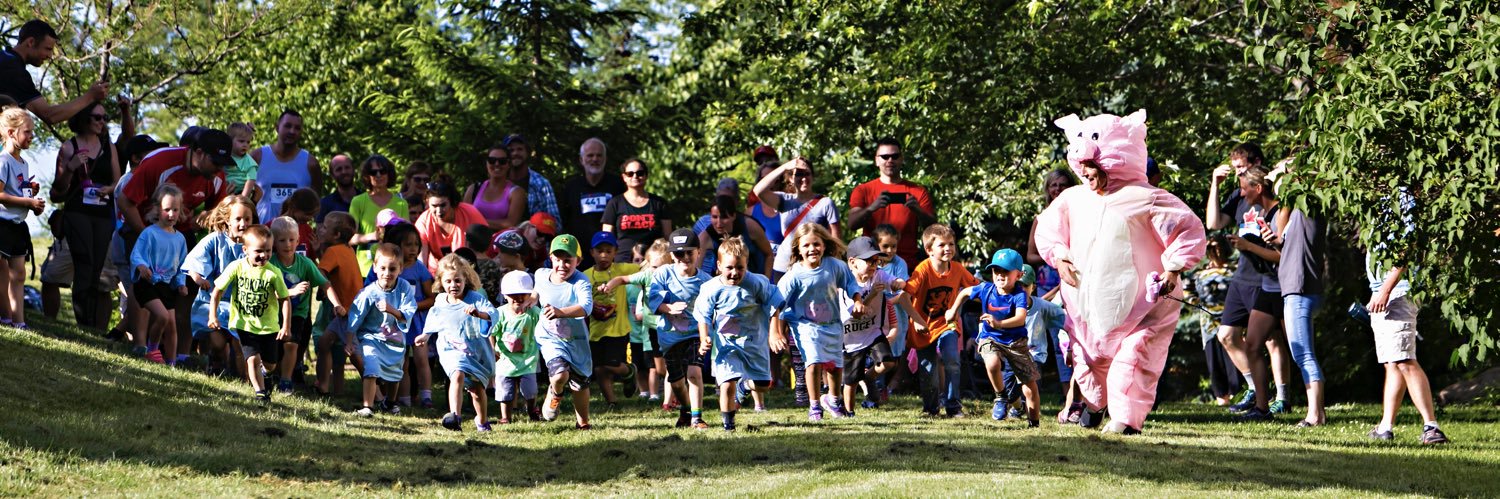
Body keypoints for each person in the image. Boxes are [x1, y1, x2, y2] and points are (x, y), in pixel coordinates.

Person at [1035, 110, 1207, 434]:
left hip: (1144, 308)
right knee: (1087, 362)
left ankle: (1126, 420)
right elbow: (1048, 230)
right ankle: (1094, 404)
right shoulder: (1072, 199)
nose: (1087, 174)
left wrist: (1172, 270)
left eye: (1093, 167)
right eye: (1083, 168)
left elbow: (1186, 231)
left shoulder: (1147, 198)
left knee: (1133, 360)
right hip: (1087, 310)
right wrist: (1059, 256)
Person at [1203, 143, 1291, 415]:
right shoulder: (1240, 195)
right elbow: (1214, 223)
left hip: (1265, 278)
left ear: (1257, 163)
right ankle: (1255, 388)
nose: (1238, 174)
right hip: (1242, 276)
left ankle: (1282, 397)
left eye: (1242, 167)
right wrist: (1215, 186)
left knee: (1272, 340)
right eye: (1236, 169)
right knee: (1226, 335)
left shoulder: (1269, 194)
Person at [1364, 194, 1447, 443]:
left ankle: (1431, 427)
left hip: (1397, 291)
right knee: (1393, 362)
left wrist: (1385, 291)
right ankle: (1385, 427)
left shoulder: (1402, 198)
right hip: (1383, 290)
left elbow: (1405, 247)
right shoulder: (1379, 198)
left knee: (1404, 360)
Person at [775, 223, 863, 422]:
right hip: (804, 325)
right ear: (798, 248)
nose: (812, 249)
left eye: (816, 244)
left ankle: (833, 399)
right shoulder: (794, 275)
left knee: (834, 366)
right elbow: (777, 303)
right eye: (806, 245)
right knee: (813, 362)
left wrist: (857, 300)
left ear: (824, 245)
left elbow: (850, 282)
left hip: (832, 324)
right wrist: (777, 332)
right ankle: (814, 406)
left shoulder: (835, 266)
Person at [694, 236, 784, 430]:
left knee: (763, 384)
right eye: (729, 268)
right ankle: (729, 425)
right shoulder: (711, 288)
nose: (735, 273)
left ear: (746, 265)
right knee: (727, 382)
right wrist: (704, 338)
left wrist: (774, 332)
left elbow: (775, 303)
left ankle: (745, 387)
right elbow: (703, 315)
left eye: (740, 268)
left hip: (754, 342)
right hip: (727, 345)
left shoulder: (756, 283)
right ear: (719, 266)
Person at [46, 100, 121, 329]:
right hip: (77, 212)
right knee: (84, 262)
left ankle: (91, 325)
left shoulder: (109, 146)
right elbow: (58, 190)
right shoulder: (69, 147)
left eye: (104, 118)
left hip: (102, 213)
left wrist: (109, 189)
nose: (102, 122)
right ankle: (83, 321)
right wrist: (71, 166)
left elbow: (118, 181)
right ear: (83, 119)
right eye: (97, 117)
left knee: (96, 266)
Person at [945, 249, 1040, 426]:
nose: (1000, 276)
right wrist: (953, 310)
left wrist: (999, 323)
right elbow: (965, 292)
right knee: (992, 363)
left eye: (1006, 272)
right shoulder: (986, 289)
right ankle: (1000, 397)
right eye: (997, 271)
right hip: (990, 337)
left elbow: (1020, 319)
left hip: (1015, 342)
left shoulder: (1019, 294)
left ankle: (1034, 423)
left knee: (1029, 388)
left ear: (1018, 275)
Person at [1265, 174, 1328, 426]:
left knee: (1304, 354)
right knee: (1301, 353)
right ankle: (1316, 413)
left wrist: (1288, 172)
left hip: (1300, 290)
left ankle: (1316, 414)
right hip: (1294, 289)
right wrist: (1276, 240)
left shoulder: (1309, 208)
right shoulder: (1294, 217)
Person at [1227, 166, 1288, 421]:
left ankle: (1311, 409)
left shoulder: (1280, 212)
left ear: (1258, 188)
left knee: (1299, 352)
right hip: (1267, 286)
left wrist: (1248, 246)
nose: (1241, 194)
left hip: (1285, 289)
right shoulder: (1261, 213)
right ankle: (1262, 408)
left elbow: (1281, 255)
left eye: (1244, 188)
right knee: (1252, 346)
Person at [208, 225, 292, 404]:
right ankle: (260, 392)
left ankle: (266, 374)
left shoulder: (273, 273)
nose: (264, 255)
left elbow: (285, 299)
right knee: (252, 359)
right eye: (259, 251)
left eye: (268, 251)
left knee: (270, 364)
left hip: (268, 326)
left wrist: (285, 326)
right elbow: (217, 291)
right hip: (244, 324)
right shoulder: (236, 267)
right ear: (245, 250)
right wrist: (212, 316)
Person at [418, 254, 497, 432]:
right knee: (457, 374)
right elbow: (434, 319)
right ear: (440, 282)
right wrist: (425, 336)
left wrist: (479, 314)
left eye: (457, 281)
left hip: (475, 351)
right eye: (448, 281)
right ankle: (455, 417)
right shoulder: (440, 301)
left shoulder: (475, 298)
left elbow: (493, 313)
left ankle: (482, 421)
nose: (453, 285)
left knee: (477, 391)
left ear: (465, 279)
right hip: (451, 349)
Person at [838, 237, 914, 412]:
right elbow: (855, 314)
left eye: (876, 260)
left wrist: (898, 283)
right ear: (852, 262)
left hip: (873, 331)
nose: (873, 265)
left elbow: (895, 281)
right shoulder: (845, 285)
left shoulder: (878, 274)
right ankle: (849, 412)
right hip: (851, 337)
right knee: (851, 379)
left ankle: (869, 377)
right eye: (868, 261)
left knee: (888, 362)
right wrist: (872, 294)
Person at [647, 228, 712, 428]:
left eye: (689, 252)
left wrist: (707, 335)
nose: (684, 257)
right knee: (676, 383)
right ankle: (685, 409)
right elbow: (652, 301)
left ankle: (697, 417)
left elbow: (713, 308)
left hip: (694, 335)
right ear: (671, 255)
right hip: (669, 337)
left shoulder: (706, 281)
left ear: (698, 252)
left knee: (694, 372)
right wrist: (668, 308)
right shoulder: (663, 274)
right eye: (679, 253)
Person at [905, 224, 971, 418]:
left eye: (951, 244)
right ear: (929, 250)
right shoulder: (923, 269)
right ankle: (931, 408)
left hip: (947, 324)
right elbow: (903, 297)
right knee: (929, 371)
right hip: (923, 327)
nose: (948, 248)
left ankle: (953, 406)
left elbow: (975, 289)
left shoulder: (958, 269)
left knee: (952, 359)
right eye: (942, 245)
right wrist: (916, 320)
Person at [344, 243, 418, 417]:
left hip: (395, 338)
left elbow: (409, 311)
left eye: (392, 269)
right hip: (372, 337)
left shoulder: (404, 288)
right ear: (375, 268)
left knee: (395, 373)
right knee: (371, 367)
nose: (387, 273)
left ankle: (390, 403)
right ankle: (367, 407)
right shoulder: (369, 293)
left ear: (400, 269)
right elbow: (355, 316)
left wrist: (392, 309)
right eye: (383, 268)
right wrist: (349, 341)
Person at [183, 195, 254, 374]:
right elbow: (193, 262)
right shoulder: (215, 239)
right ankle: (215, 361)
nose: (243, 223)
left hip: (242, 304)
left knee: (240, 345)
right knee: (218, 342)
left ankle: (244, 378)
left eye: (247, 219)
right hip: (213, 301)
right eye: (238, 219)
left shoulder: (254, 243)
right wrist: (199, 279)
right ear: (227, 220)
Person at [533, 234, 595, 429]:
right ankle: (556, 392)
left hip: (576, 340)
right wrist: (530, 299)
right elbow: (537, 292)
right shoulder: (541, 274)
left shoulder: (581, 281)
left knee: (580, 384)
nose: (562, 265)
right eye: (557, 260)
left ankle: (583, 422)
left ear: (578, 260)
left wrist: (561, 313)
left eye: (568, 260)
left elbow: (586, 307)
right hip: (549, 336)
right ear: (550, 258)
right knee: (559, 375)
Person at [269, 217, 335, 393]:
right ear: (274, 242)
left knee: (291, 344)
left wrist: (336, 304)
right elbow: (265, 292)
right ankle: (270, 374)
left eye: (292, 240)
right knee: (273, 347)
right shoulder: (270, 263)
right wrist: (290, 292)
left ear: (298, 240)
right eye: (282, 240)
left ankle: (285, 380)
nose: (287, 244)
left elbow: (325, 284)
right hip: (273, 312)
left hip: (298, 312)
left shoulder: (305, 263)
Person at [847, 137, 937, 265]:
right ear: (876, 160)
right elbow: (852, 224)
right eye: (884, 156)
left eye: (895, 156)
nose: (890, 160)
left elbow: (933, 229)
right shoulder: (863, 190)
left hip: (908, 265)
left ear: (901, 159)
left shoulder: (918, 191)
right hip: (872, 266)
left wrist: (917, 210)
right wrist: (871, 208)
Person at [0, 20, 109, 124]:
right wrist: (90, 96)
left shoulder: (5, 58)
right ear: (31, 42)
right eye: (47, 49)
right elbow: (50, 115)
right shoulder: (13, 70)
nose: (50, 56)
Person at [128, 184, 190, 365]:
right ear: (157, 209)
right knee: (162, 316)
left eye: (175, 210)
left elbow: (181, 266)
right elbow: (136, 254)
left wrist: (181, 283)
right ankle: (153, 350)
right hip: (147, 284)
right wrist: (141, 267)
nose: (171, 214)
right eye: (167, 210)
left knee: (171, 325)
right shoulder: (149, 233)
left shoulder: (180, 239)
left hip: (165, 286)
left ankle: (171, 363)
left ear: (181, 210)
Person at [752, 157, 842, 277]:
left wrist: (833, 269)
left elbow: (836, 241)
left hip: (814, 267)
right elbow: (758, 190)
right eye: (799, 174)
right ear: (790, 178)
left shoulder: (825, 203)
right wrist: (785, 167)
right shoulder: (784, 200)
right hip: (784, 266)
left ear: (813, 176)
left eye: (807, 174)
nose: (803, 178)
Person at [380, 223, 436, 407]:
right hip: (397, 321)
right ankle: (404, 399)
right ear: (397, 247)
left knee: (421, 359)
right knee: (401, 361)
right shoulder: (392, 269)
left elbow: (431, 298)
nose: (413, 249)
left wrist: (412, 308)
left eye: (416, 244)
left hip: (417, 321)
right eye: (408, 244)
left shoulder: (420, 268)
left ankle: (426, 396)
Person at [582, 232, 640, 407]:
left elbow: (646, 270)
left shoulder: (621, 270)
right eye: (599, 251)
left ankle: (629, 371)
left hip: (618, 329)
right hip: (596, 330)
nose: (604, 255)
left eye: (608, 251)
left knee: (610, 364)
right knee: (599, 368)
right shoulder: (586, 276)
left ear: (615, 252)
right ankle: (611, 402)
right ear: (592, 252)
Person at [0, 107, 44, 329]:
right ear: (10, 133)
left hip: (18, 225)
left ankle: (19, 321)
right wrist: (27, 202)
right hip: (2, 225)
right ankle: (6, 317)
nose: (31, 137)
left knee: (19, 274)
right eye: (27, 132)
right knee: (3, 275)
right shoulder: (3, 160)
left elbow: (16, 190)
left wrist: (30, 194)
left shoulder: (23, 163)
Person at [312, 212, 359, 395]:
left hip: (339, 309)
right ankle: (338, 389)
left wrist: (333, 300)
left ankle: (322, 384)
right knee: (339, 348)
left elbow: (321, 273)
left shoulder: (332, 251)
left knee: (325, 344)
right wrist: (318, 252)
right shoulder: (348, 249)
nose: (320, 229)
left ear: (336, 234)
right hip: (352, 308)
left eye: (325, 226)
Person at [250, 110, 322, 223]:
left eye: (297, 128)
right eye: (287, 126)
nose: (292, 131)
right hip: (261, 232)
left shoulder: (311, 163)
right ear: (277, 127)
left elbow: (316, 205)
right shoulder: (257, 157)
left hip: (294, 235)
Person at [560, 138, 626, 250]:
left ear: (605, 159)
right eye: (590, 155)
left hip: (611, 252)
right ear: (581, 160)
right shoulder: (571, 187)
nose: (595, 159)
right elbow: (563, 222)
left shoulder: (618, 185)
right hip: (580, 254)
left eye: (599, 155)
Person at [494, 270, 541, 424]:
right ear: (505, 295)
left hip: (528, 360)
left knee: (530, 390)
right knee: (505, 392)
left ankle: (532, 409)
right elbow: (491, 333)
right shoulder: (500, 313)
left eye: (524, 294)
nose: (519, 298)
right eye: (513, 294)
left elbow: (545, 324)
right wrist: (492, 350)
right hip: (505, 361)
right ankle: (506, 417)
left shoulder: (533, 313)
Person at [349, 155, 408, 274]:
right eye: (373, 172)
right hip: (365, 269)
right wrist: (372, 236)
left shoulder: (401, 203)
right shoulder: (358, 201)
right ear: (367, 176)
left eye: (383, 171)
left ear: (389, 174)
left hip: (393, 268)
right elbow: (349, 238)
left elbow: (407, 236)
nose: (378, 175)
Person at [415, 177, 486, 274]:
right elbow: (421, 260)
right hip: (436, 274)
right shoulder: (423, 221)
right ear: (427, 202)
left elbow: (484, 247)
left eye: (443, 205)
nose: (439, 211)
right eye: (434, 206)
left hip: (469, 271)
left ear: (452, 202)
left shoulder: (470, 213)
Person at [697, 193, 774, 278]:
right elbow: (695, 270)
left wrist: (766, 282)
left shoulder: (750, 226)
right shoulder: (706, 237)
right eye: (714, 217)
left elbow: (769, 255)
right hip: (727, 282)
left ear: (733, 216)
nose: (719, 223)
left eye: (724, 217)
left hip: (756, 279)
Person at [601, 158, 672, 247]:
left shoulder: (659, 203)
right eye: (630, 174)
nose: (635, 176)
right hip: (623, 259)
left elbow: (668, 237)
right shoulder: (614, 203)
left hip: (653, 259)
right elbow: (606, 239)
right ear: (624, 177)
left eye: (640, 173)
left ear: (646, 176)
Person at [463, 144, 526, 231]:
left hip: (501, 242)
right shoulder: (473, 189)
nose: (497, 164)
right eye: (492, 160)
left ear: (508, 164)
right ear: (487, 163)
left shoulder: (516, 193)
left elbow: (511, 223)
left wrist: (477, 221)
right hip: (472, 242)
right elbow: (463, 218)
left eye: (502, 161)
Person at [503, 133, 561, 221]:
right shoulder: (498, 182)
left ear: (527, 152)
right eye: (511, 150)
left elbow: (555, 222)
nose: (515, 153)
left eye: (520, 149)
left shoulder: (541, 183)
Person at [747, 160, 785, 249]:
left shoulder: (791, 209)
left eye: (774, 179)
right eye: (765, 179)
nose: (769, 184)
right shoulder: (750, 213)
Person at [318, 154, 361, 223]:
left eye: (347, 167)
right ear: (332, 175)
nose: (344, 172)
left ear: (353, 170)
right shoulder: (325, 204)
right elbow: (321, 232)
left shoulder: (367, 200)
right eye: (339, 169)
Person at [224, 123, 258, 199]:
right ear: (230, 141)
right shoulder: (224, 156)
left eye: (248, 142)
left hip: (242, 192)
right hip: (225, 192)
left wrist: (243, 197)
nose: (245, 145)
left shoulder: (249, 161)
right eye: (241, 141)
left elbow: (251, 180)